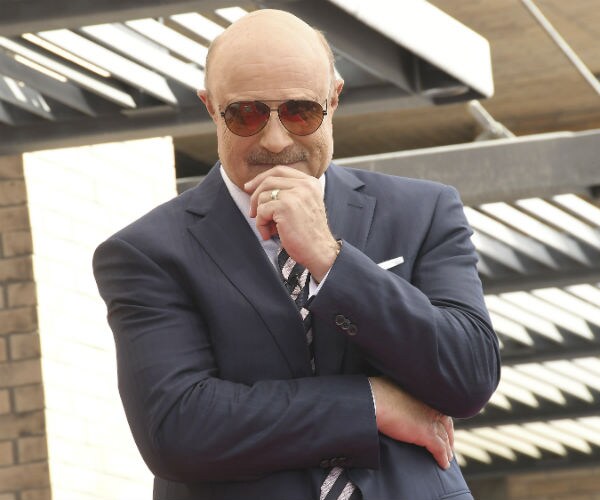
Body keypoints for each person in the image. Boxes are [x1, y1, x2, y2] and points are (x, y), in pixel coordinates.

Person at [93, 9, 500, 500]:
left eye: (300, 111)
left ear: (334, 99)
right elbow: (178, 429)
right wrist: (370, 404)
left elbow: (469, 376)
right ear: (210, 108)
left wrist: (330, 259)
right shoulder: (147, 252)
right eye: (245, 114)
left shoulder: (422, 212)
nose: (275, 139)